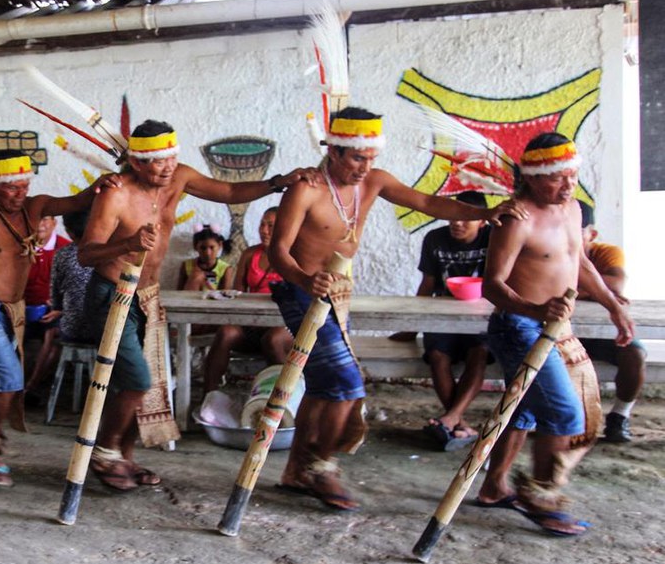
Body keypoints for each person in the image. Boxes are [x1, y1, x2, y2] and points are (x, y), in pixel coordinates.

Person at [270, 108, 522, 511]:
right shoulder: (307, 189)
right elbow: (277, 252)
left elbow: (427, 202)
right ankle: (321, 465)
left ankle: (294, 471)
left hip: (337, 293)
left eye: (371, 158)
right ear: (333, 152)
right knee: (346, 383)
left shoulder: (374, 182)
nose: (365, 167)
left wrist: (484, 213)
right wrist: (305, 280)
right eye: (356, 158)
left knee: (323, 385)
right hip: (301, 292)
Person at [79, 120, 317, 492]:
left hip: (146, 296)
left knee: (131, 382)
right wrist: (127, 245)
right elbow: (86, 253)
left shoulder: (179, 177)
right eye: (158, 162)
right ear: (137, 163)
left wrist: (277, 182)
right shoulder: (116, 193)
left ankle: (124, 458)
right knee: (138, 380)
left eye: (172, 158)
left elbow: (230, 191)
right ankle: (105, 454)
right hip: (112, 294)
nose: (168, 167)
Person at [475, 134, 633, 536]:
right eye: (557, 179)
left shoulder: (573, 209)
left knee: (525, 411)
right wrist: (533, 309)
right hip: (518, 326)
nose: (567, 186)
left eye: (572, 176)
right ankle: (542, 495)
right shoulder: (516, 218)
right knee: (563, 412)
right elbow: (491, 286)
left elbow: (578, 261)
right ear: (529, 178)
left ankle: (495, 488)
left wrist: (614, 305)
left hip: (553, 326)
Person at [0, 150, 117, 486]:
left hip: (14, 312)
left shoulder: (35, 206)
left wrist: (101, 184)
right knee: (8, 378)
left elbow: (76, 201)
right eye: (10, 187)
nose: (19, 193)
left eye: (24, 185)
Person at [392, 191, 492, 451]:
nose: (457, 223)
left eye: (465, 218)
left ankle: (451, 419)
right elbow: (427, 284)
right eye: (453, 216)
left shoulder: (495, 238)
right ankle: (456, 420)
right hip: (442, 315)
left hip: (482, 317)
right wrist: (411, 327)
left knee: (479, 353)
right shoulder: (434, 239)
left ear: (482, 220)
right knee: (437, 355)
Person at [201, 206, 293, 397]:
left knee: (273, 339)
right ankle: (208, 397)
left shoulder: (293, 257)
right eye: (262, 224)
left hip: (283, 325)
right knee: (226, 333)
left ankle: (286, 399)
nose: (264, 230)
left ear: (285, 228)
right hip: (253, 323)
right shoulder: (250, 254)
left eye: (271, 225)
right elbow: (238, 293)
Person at [576, 201, 647, 443]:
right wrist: (597, 290)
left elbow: (616, 284)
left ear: (591, 234)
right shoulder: (549, 251)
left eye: (577, 230)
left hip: (604, 332)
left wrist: (576, 289)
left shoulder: (606, 252)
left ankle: (619, 416)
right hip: (564, 333)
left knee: (635, 354)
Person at [22, 208, 97, 407]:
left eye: (45, 219)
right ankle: (11, 388)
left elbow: (56, 296)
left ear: (59, 225)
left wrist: (58, 308)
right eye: (35, 219)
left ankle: (30, 387)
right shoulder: (22, 248)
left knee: (53, 332)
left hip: (64, 317)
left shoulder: (63, 252)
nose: (40, 224)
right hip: (29, 309)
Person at [177, 225, 234, 291]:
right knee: (196, 275)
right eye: (203, 248)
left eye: (212, 247)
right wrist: (194, 278)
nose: (207, 253)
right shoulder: (187, 265)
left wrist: (205, 282)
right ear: (195, 247)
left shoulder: (225, 269)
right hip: (190, 300)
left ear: (220, 245)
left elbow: (225, 295)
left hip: (213, 300)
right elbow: (179, 292)